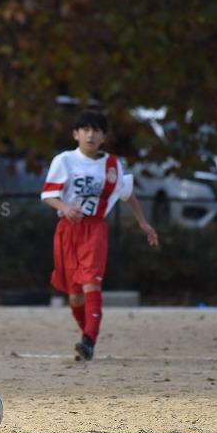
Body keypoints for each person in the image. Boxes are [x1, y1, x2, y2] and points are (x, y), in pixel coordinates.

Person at [41, 110, 159, 361]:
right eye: (85, 129)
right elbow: (48, 195)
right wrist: (64, 207)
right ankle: (87, 336)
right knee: (74, 294)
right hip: (67, 231)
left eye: (96, 130)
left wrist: (143, 222)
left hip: (94, 229)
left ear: (104, 137)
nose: (90, 134)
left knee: (91, 283)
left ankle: (89, 340)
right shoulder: (64, 161)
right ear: (76, 134)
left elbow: (127, 194)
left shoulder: (112, 165)